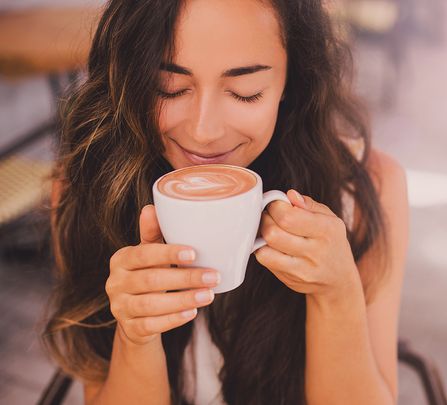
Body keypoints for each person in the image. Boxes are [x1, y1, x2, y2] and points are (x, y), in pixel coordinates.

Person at [42, 0, 409, 404]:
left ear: (292, 81)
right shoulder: (91, 189)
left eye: (244, 93)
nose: (203, 132)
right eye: (169, 88)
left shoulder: (365, 189)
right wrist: (137, 335)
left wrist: (337, 294)